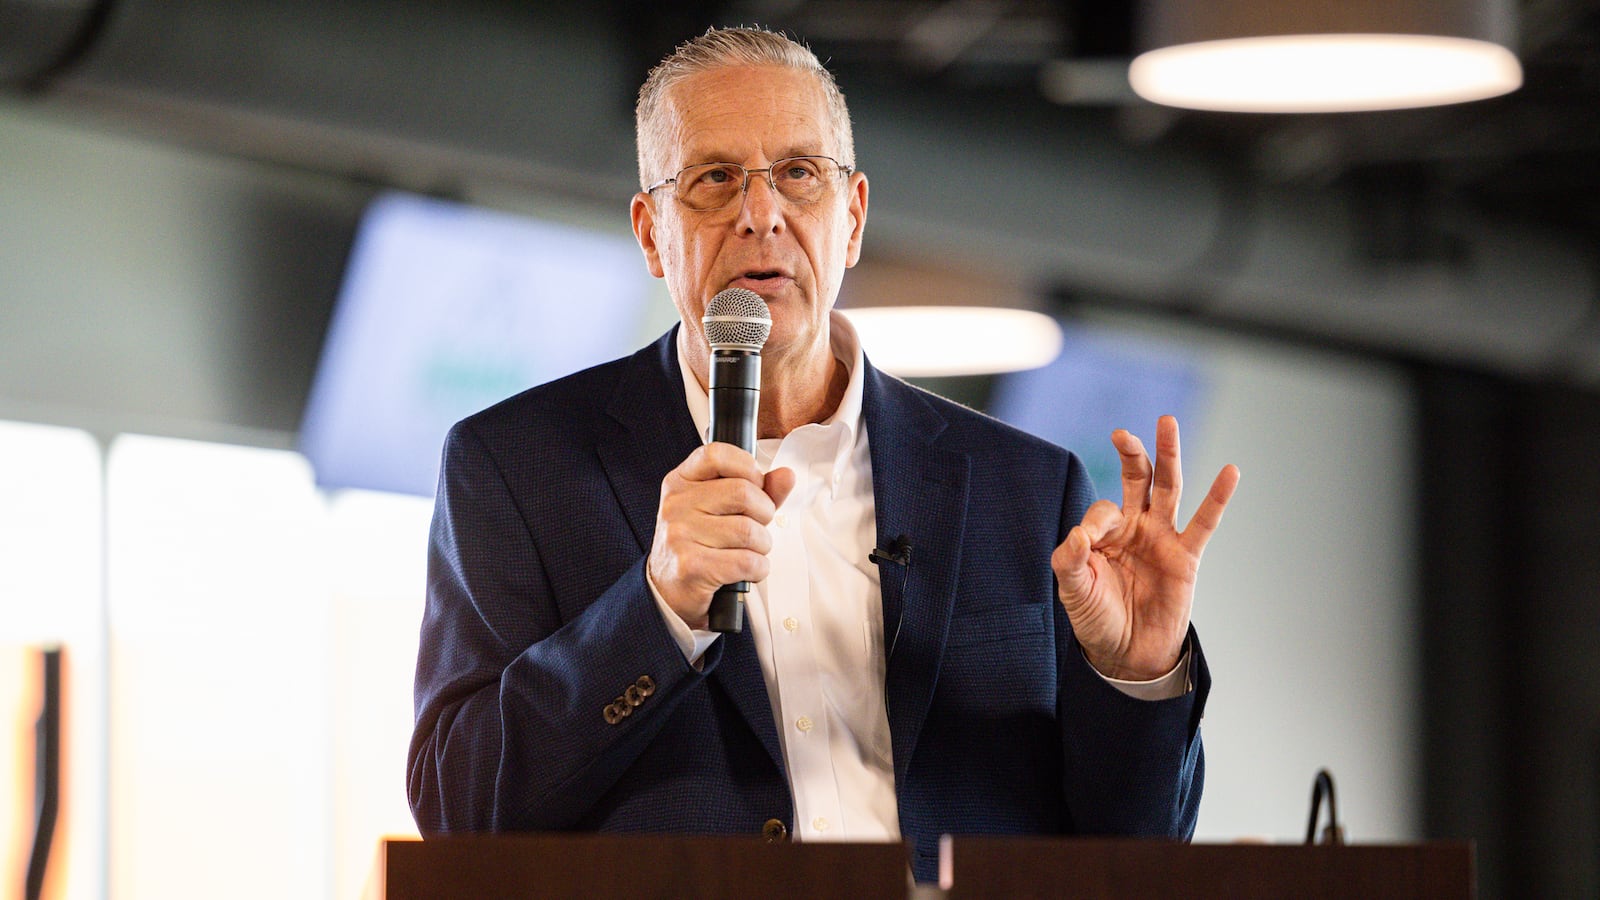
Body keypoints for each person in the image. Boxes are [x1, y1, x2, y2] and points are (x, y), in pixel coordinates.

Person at [408, 25, 1240, 883]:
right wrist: (655, 609)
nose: (760, 214)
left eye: (799, 173)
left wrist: (1137, 676)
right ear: (652, 233)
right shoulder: (515, 466)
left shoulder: (1025, 489)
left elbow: (1138, 852)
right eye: (714, 178)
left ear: (853, 219)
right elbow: (456, 809)